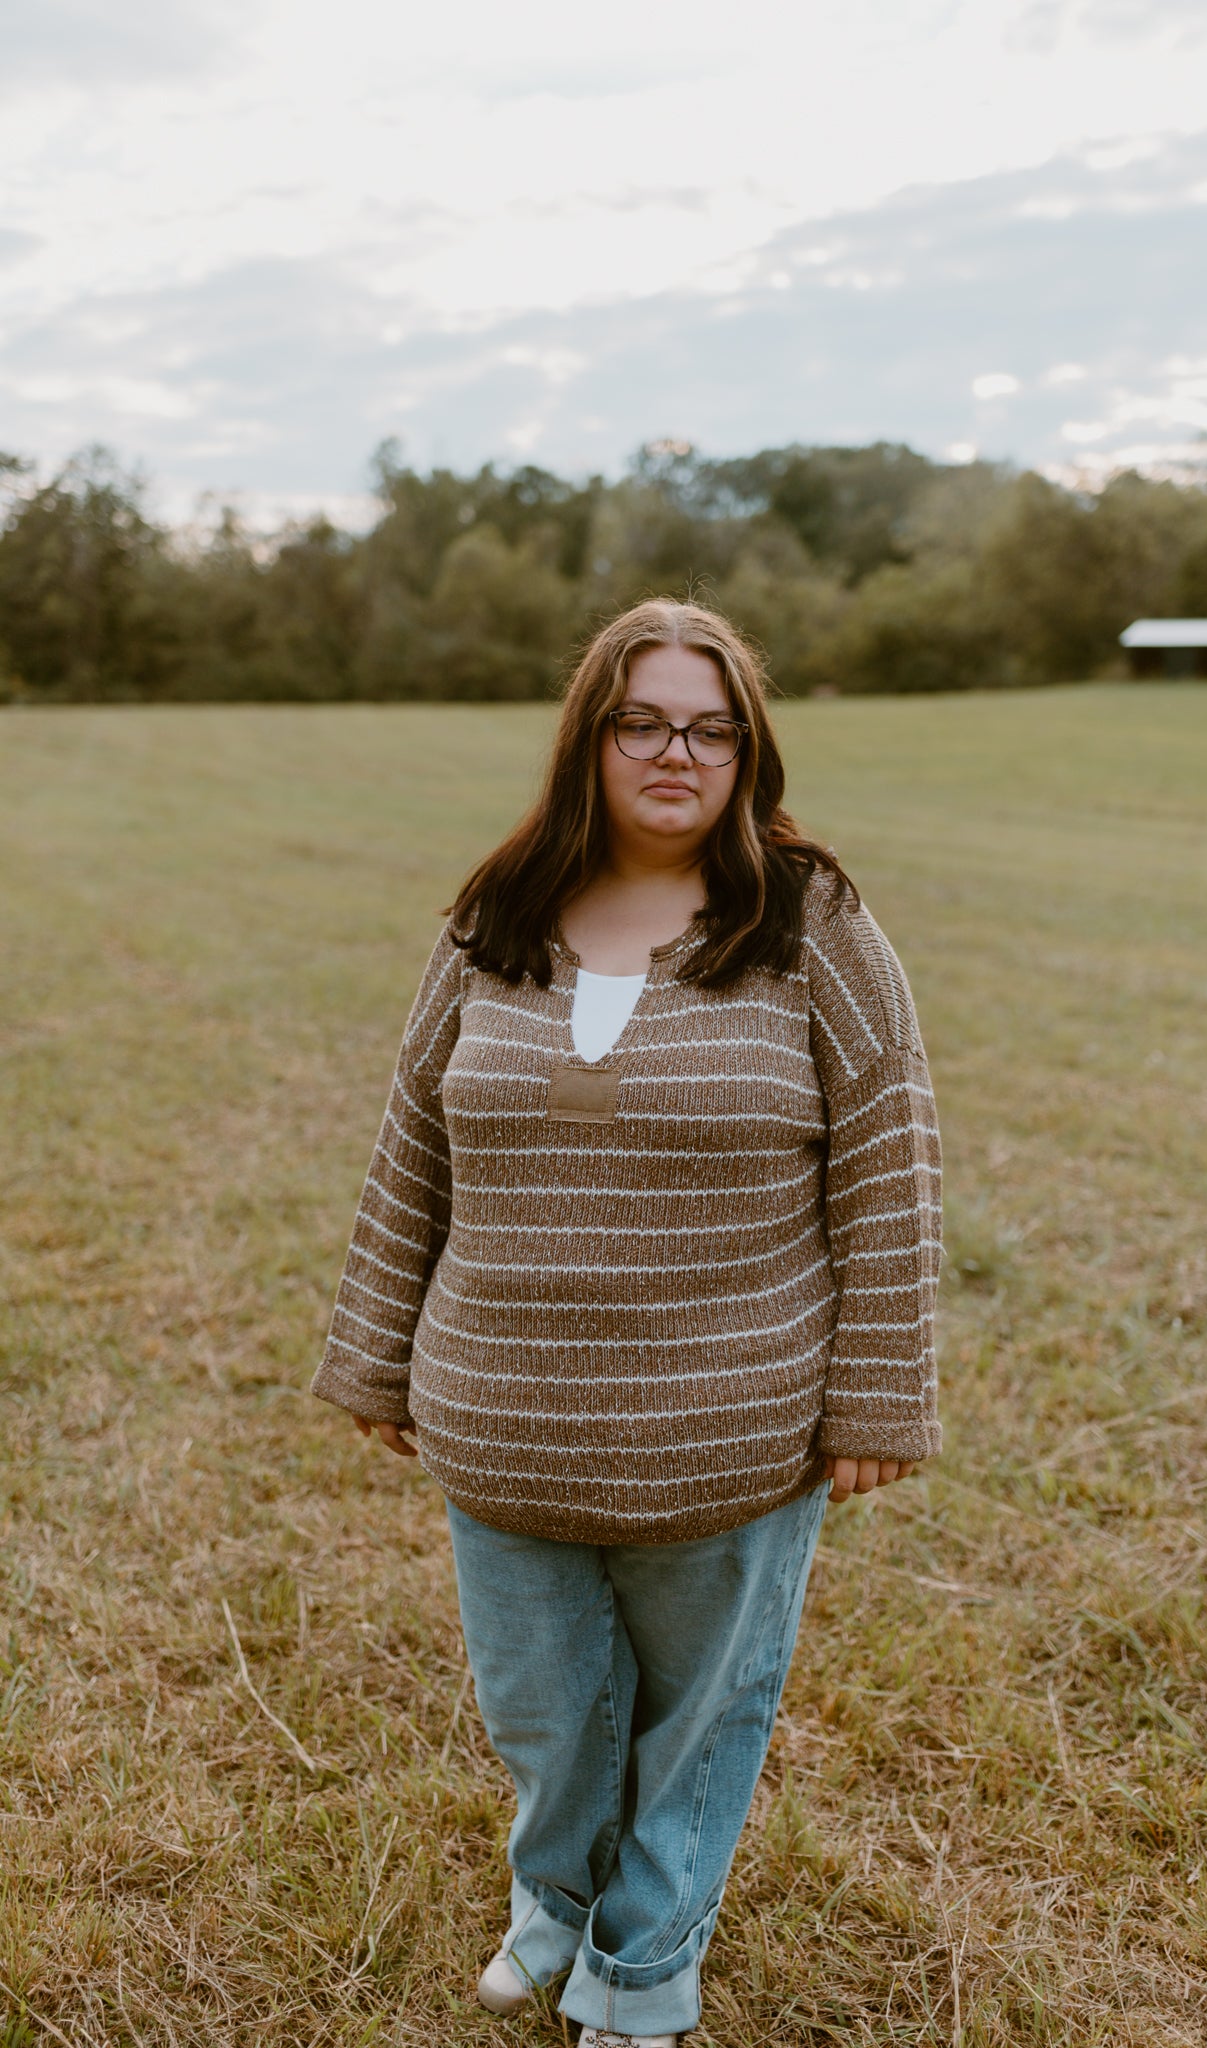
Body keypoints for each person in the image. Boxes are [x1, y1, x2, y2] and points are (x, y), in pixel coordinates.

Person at [311, 598, 943, 2047]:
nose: (679, 751)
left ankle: (646, 1962)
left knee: (701, 1716)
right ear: (591, 735)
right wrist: (374, 1349)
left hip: (728, 1426)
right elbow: (415, 1139)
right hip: (504, 1415)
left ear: (748, 751)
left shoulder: (812, 927)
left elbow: (892, 1160)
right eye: (645, 720)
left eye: (713, 728)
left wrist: (880, 1399)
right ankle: (556, 1905)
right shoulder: (496, 922)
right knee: (546, 1710)